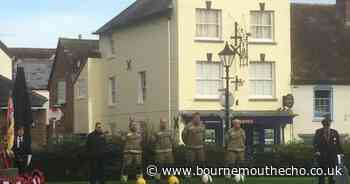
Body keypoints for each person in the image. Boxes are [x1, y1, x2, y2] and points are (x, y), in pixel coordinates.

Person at [314, 116, 343, 184]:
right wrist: (316, 151)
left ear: (330, 124)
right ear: (323, 125)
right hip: (322, 157)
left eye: (328, 124)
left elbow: (338, 144)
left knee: (332, 176)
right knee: (321, 176)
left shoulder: (334, 132)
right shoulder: (318, 132)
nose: (327, 126)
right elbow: (315, 143)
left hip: (332, 157)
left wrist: (341, 153)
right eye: (325, 125)